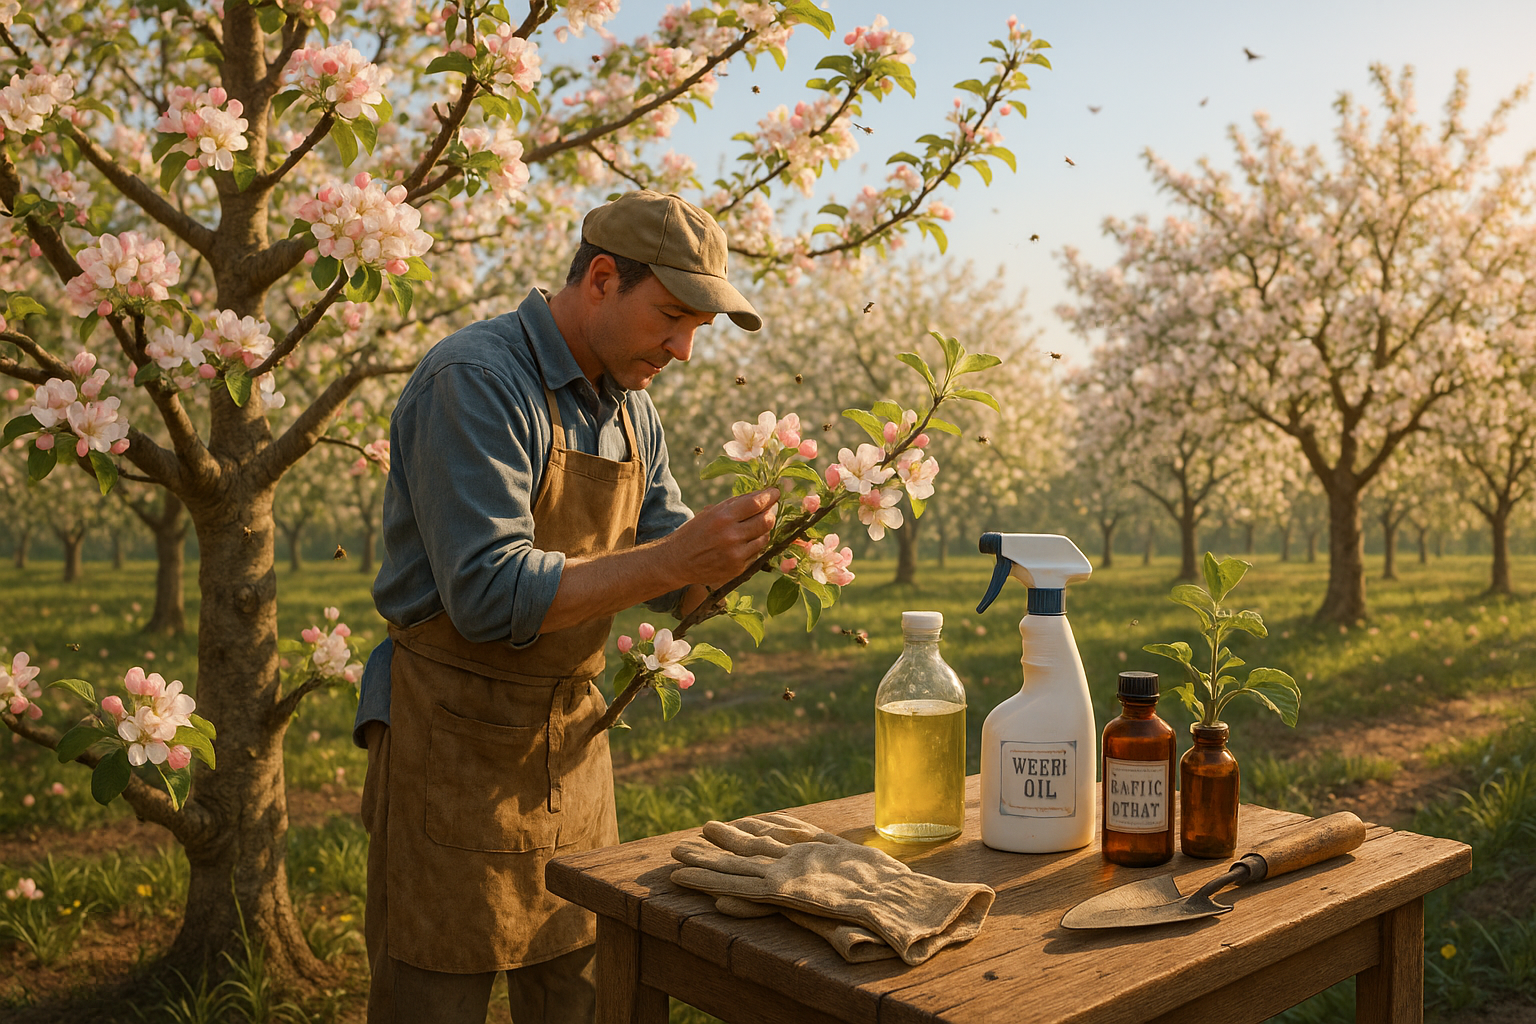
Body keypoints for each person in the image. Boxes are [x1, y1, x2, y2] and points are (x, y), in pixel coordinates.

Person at [352, 190, 779, 1023]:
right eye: (672, 317)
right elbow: (484, 591)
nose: (684, 350)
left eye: (698, 329)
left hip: (571, 747)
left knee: (582, 992)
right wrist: (673, 556)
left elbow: (674, 578)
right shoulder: (477, 380)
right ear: (602, 279)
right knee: (436, 993)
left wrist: (753, 548)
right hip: (453, 748)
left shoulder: (632, 412)